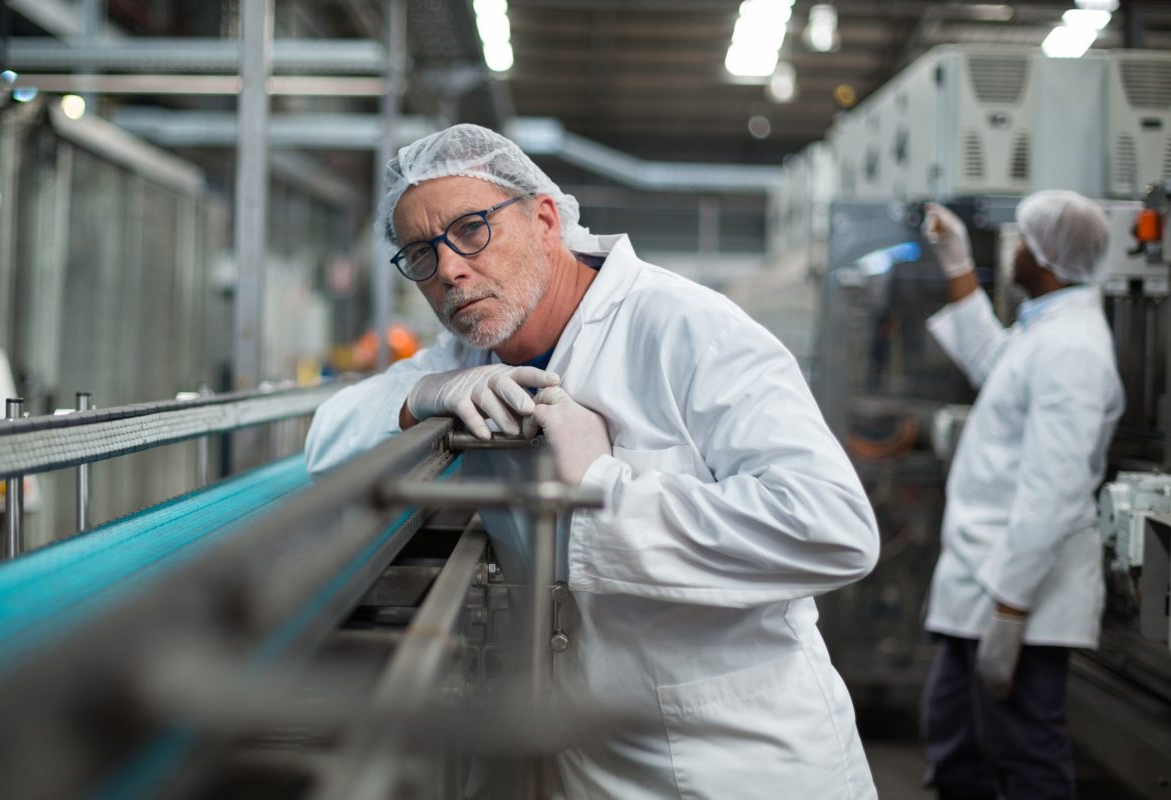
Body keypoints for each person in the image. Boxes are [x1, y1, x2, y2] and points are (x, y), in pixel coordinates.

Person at [305, 124, 880, 799]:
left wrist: (605, 488)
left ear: (545, 219)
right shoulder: (472, 356)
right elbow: (327, 439)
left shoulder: (687, 329)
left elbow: (834, 528)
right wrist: (425, 393)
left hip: (738, 758)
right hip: (586, 758)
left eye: (470, 230)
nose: (451, 269)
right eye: (421, 254)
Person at [919, 193, 1125, 800]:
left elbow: (1054, 490)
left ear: (1047, 255)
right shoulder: (1047, 332)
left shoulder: (1072, 351)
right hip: (988, 585)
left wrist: (1010, 613)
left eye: (1023, 240)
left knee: (1023, 760)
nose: (1013, 248)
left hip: (1020, 599)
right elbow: (993, 361)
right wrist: (957, 263)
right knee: (958, 750)